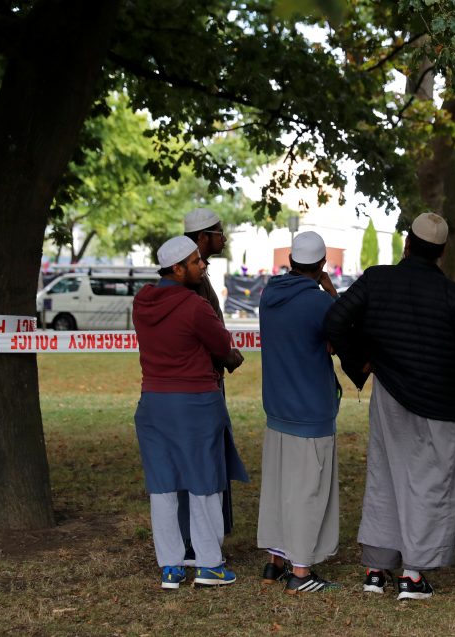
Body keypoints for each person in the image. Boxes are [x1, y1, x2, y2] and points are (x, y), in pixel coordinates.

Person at [324, 212, 455, 601]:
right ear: (441, 252)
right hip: (439, 401)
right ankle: (413, 575)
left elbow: (336, 319)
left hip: (389, 394)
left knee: (385, 476)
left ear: (407, 244)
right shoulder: (453, 295)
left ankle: (376, 569)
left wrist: (361, 360)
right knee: (430, 483)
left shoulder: (377, 278)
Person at [132, 235, 249, 589]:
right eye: (197, 262)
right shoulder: (195, 306)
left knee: (163, 487)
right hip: (196, 402)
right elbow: (221, 344)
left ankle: (171, 566)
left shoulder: (142, 302)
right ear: (177, 269)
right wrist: (231, 358)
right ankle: (210, 564)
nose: (203, 266)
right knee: (204, 484)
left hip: (153, 403)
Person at [256, 231, 343, 594]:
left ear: (290, 261)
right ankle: (302, 573)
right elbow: (344, 334)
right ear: (322, 265)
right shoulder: (319, 304)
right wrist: (330, 290)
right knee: (308, 491)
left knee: (278, 489)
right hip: (311, 410)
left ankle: (275, 562)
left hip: (277, 408)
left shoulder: (269, 295)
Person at [179, 208, 243, 562]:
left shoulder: (197, 274)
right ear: (203, 237)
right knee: (201, 464)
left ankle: (203, 540)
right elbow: (205, 332)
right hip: (200, 384)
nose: (223, 237)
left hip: (206, 380)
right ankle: (196, 545)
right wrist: (228, 355)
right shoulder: (192, 278)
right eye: (219, 232)